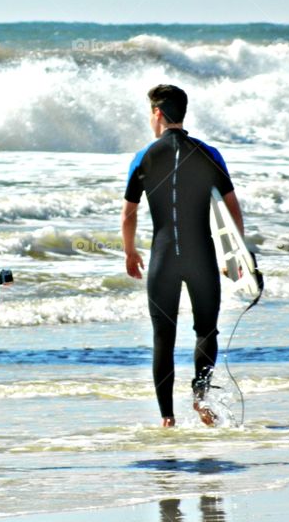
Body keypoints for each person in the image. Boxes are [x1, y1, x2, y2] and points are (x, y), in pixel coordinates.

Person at [121, 84, 244, 427]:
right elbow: (232, 208)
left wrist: (130, 252)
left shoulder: (143, 157)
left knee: (164, 336)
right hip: (201, 256)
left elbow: (128, 214)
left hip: (162, 259)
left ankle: (166, 419)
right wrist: (235, 254)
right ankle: (201, 396)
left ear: (157, 113)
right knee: (206, 330)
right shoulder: (208, 153)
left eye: (150, 112)